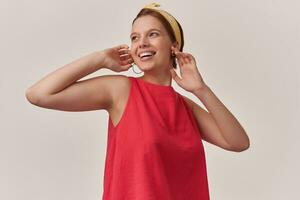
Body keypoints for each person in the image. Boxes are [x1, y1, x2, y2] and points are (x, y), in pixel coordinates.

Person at [25, 3, 250, 200]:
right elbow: (39, 94)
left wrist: (201, 90)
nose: (141, 43)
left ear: (174, 46)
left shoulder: (185, 107)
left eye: (152, 34)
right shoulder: (121, 90)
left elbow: (238, 142)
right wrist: (100, 59)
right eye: (135, 37)